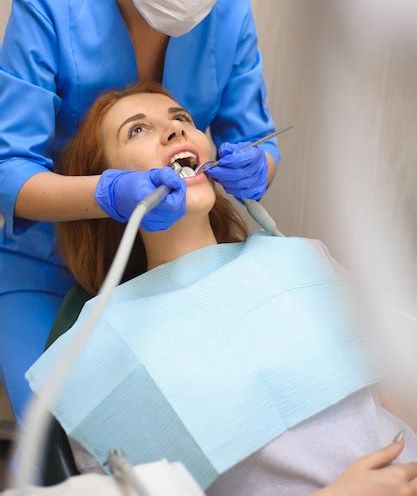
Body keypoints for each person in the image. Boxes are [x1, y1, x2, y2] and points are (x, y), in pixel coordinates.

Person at [27, 82, 417, 496]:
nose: (176, 131)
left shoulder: (303, 261)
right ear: (103, 188)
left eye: (182, 119)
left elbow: (399, 389)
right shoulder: (96, 356)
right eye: (136, 130)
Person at [0, 0, 280, 422]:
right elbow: (8, 170)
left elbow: (255, 138)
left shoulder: (232, 15)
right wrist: (108, 194)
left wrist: (259, 167)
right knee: (58, 429)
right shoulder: (48, 10)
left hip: (173, 264)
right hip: (49, 267)